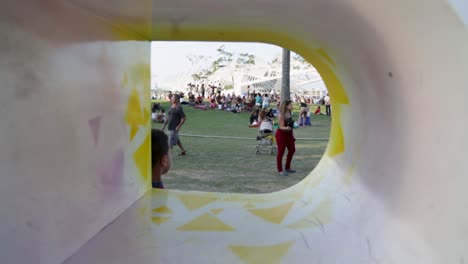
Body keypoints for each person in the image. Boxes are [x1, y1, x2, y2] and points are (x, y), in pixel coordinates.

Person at [275, 100, 296, 176]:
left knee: (292, 150)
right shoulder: (281, 114)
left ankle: (287, 167)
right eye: (290, 105)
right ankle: (280, 169)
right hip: (281, 134)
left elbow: (290, 125)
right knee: (281, 152)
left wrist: (292, 134)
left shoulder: (290, 113)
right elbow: (281, 127)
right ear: (286, 106)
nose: (292, 106)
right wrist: (287, 128)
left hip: (289, 134)